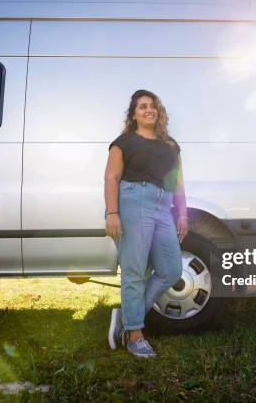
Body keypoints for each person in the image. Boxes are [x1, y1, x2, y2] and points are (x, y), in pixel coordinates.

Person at [104, 89, 189, 358]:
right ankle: (135, 335)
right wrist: (112, 213)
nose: (149, 110)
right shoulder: (124, 142)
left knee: (171, 269)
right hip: (133, 201)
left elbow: (179, 184)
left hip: (163, 206)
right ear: (133, 114)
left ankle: (128, 316)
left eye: (152, 105)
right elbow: (110, 178)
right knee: (135, 271)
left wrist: (183, 214)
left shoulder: (171, 146)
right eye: (142, 106)